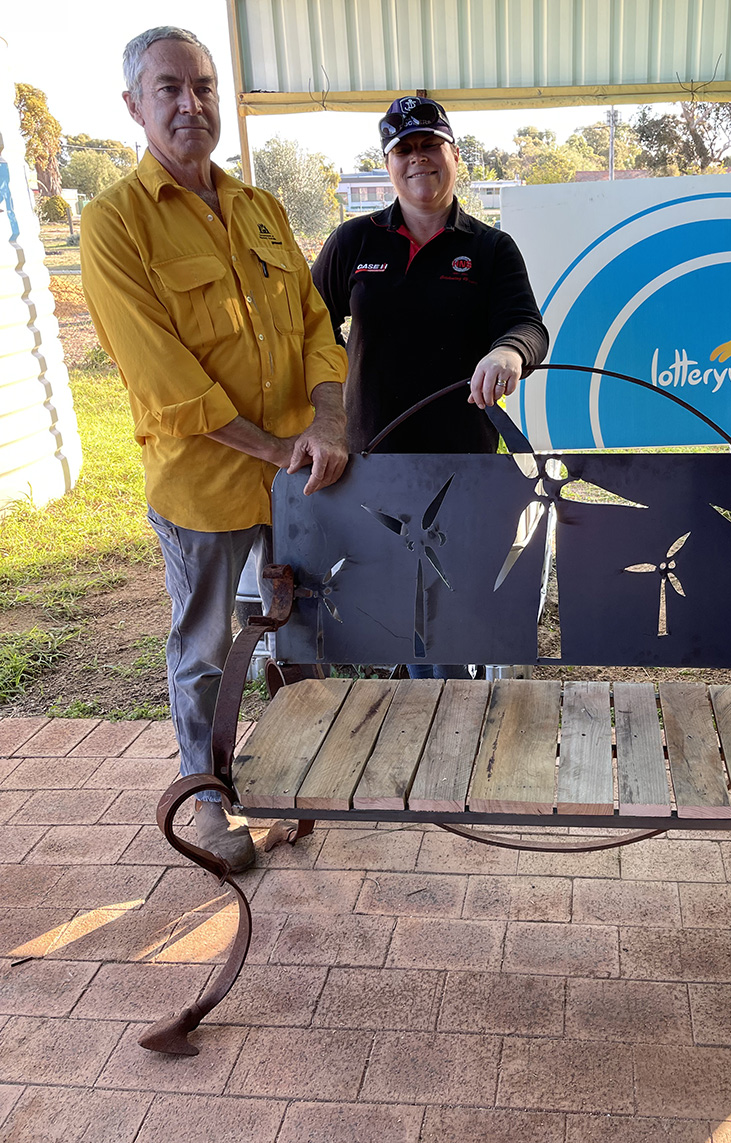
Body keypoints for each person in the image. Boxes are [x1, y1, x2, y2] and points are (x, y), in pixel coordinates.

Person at [81, 27, 349, 871]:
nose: (189, 104)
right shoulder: (113, 224)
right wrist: (277, 449)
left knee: (297, 627)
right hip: (205, 484)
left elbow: (315, 327)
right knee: (204, 649)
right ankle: (206, 796)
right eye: (168, 89)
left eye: (202, 86)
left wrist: (329, 423)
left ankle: (297, 774)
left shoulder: (260, 209)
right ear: (135, 106)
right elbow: (169, 384)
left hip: (297, 477)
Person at [310, 96, 548, 677]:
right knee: (395, 610)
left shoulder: (490, 248)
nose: (419, 160)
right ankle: (422, 718)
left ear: (454, 156)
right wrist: (325, 406)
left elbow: (528, 326)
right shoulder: (354, 243)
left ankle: (447, 725)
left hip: (460, 467)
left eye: (430, 146)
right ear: (389, 165)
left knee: (450, 612)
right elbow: (309, 329)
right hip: (373, 462)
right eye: (404, 150)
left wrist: (508, 352)